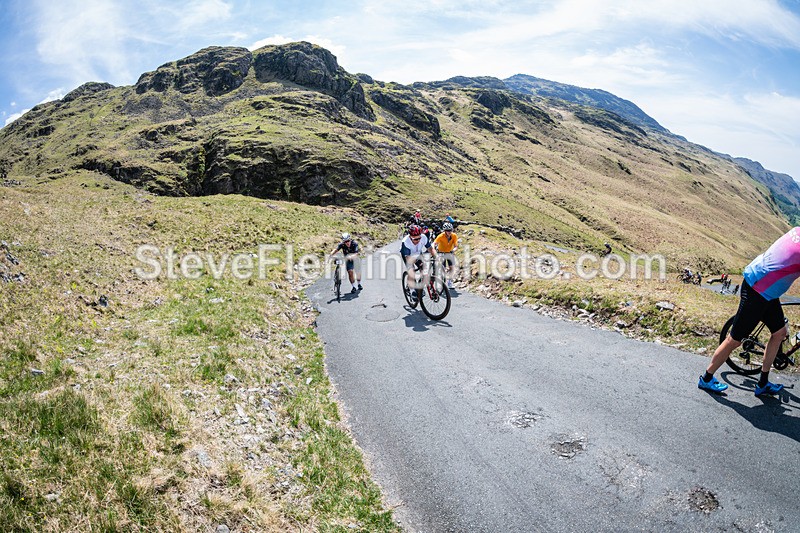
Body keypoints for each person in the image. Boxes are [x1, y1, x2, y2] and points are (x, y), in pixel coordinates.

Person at [697, 228, 800, 396]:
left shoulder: (797, 230)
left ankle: (763, 383)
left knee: (780, 333)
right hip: (757, 290)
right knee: (734, 340)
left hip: (767, 291)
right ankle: (706, 379)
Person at [401, 225, 436, 299]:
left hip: (418, 253)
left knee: (424, 268)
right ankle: (412, 289)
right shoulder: (405, 242)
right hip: (408, 255)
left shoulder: (423, 237)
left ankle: (421, 286)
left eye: (419, 238)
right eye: (415, 239)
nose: (418, 241)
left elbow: (430, 248)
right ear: (410, 236)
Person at [434, 222, 458, 288]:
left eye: (450, 230)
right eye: (447, 230)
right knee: (443, 268)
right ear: (445, 231)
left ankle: (450, 282)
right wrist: (433, 247)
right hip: (441, 252)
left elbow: (456, 246)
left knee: (452, 268)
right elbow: (435, 243)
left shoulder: (454, 236)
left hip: (450, 252)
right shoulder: (441, 236)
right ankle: (441, 279)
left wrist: (453, 250)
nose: (449, 232)